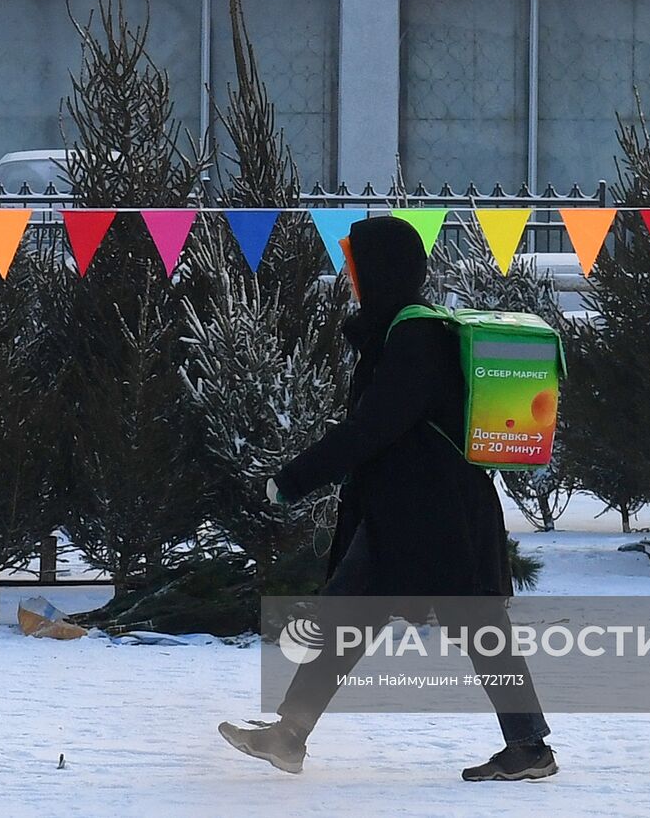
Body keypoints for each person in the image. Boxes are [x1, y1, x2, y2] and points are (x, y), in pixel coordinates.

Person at [217, 215, 556, 782]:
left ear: (383, 271)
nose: (350, 276)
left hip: (435, 516)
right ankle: (290, 734)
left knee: (473, 626)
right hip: (410, 512)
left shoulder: (415, 336)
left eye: (357, 265)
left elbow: (375, 425)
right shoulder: (399, 331)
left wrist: (297, 477)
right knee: (353, 614)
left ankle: (528, 747)